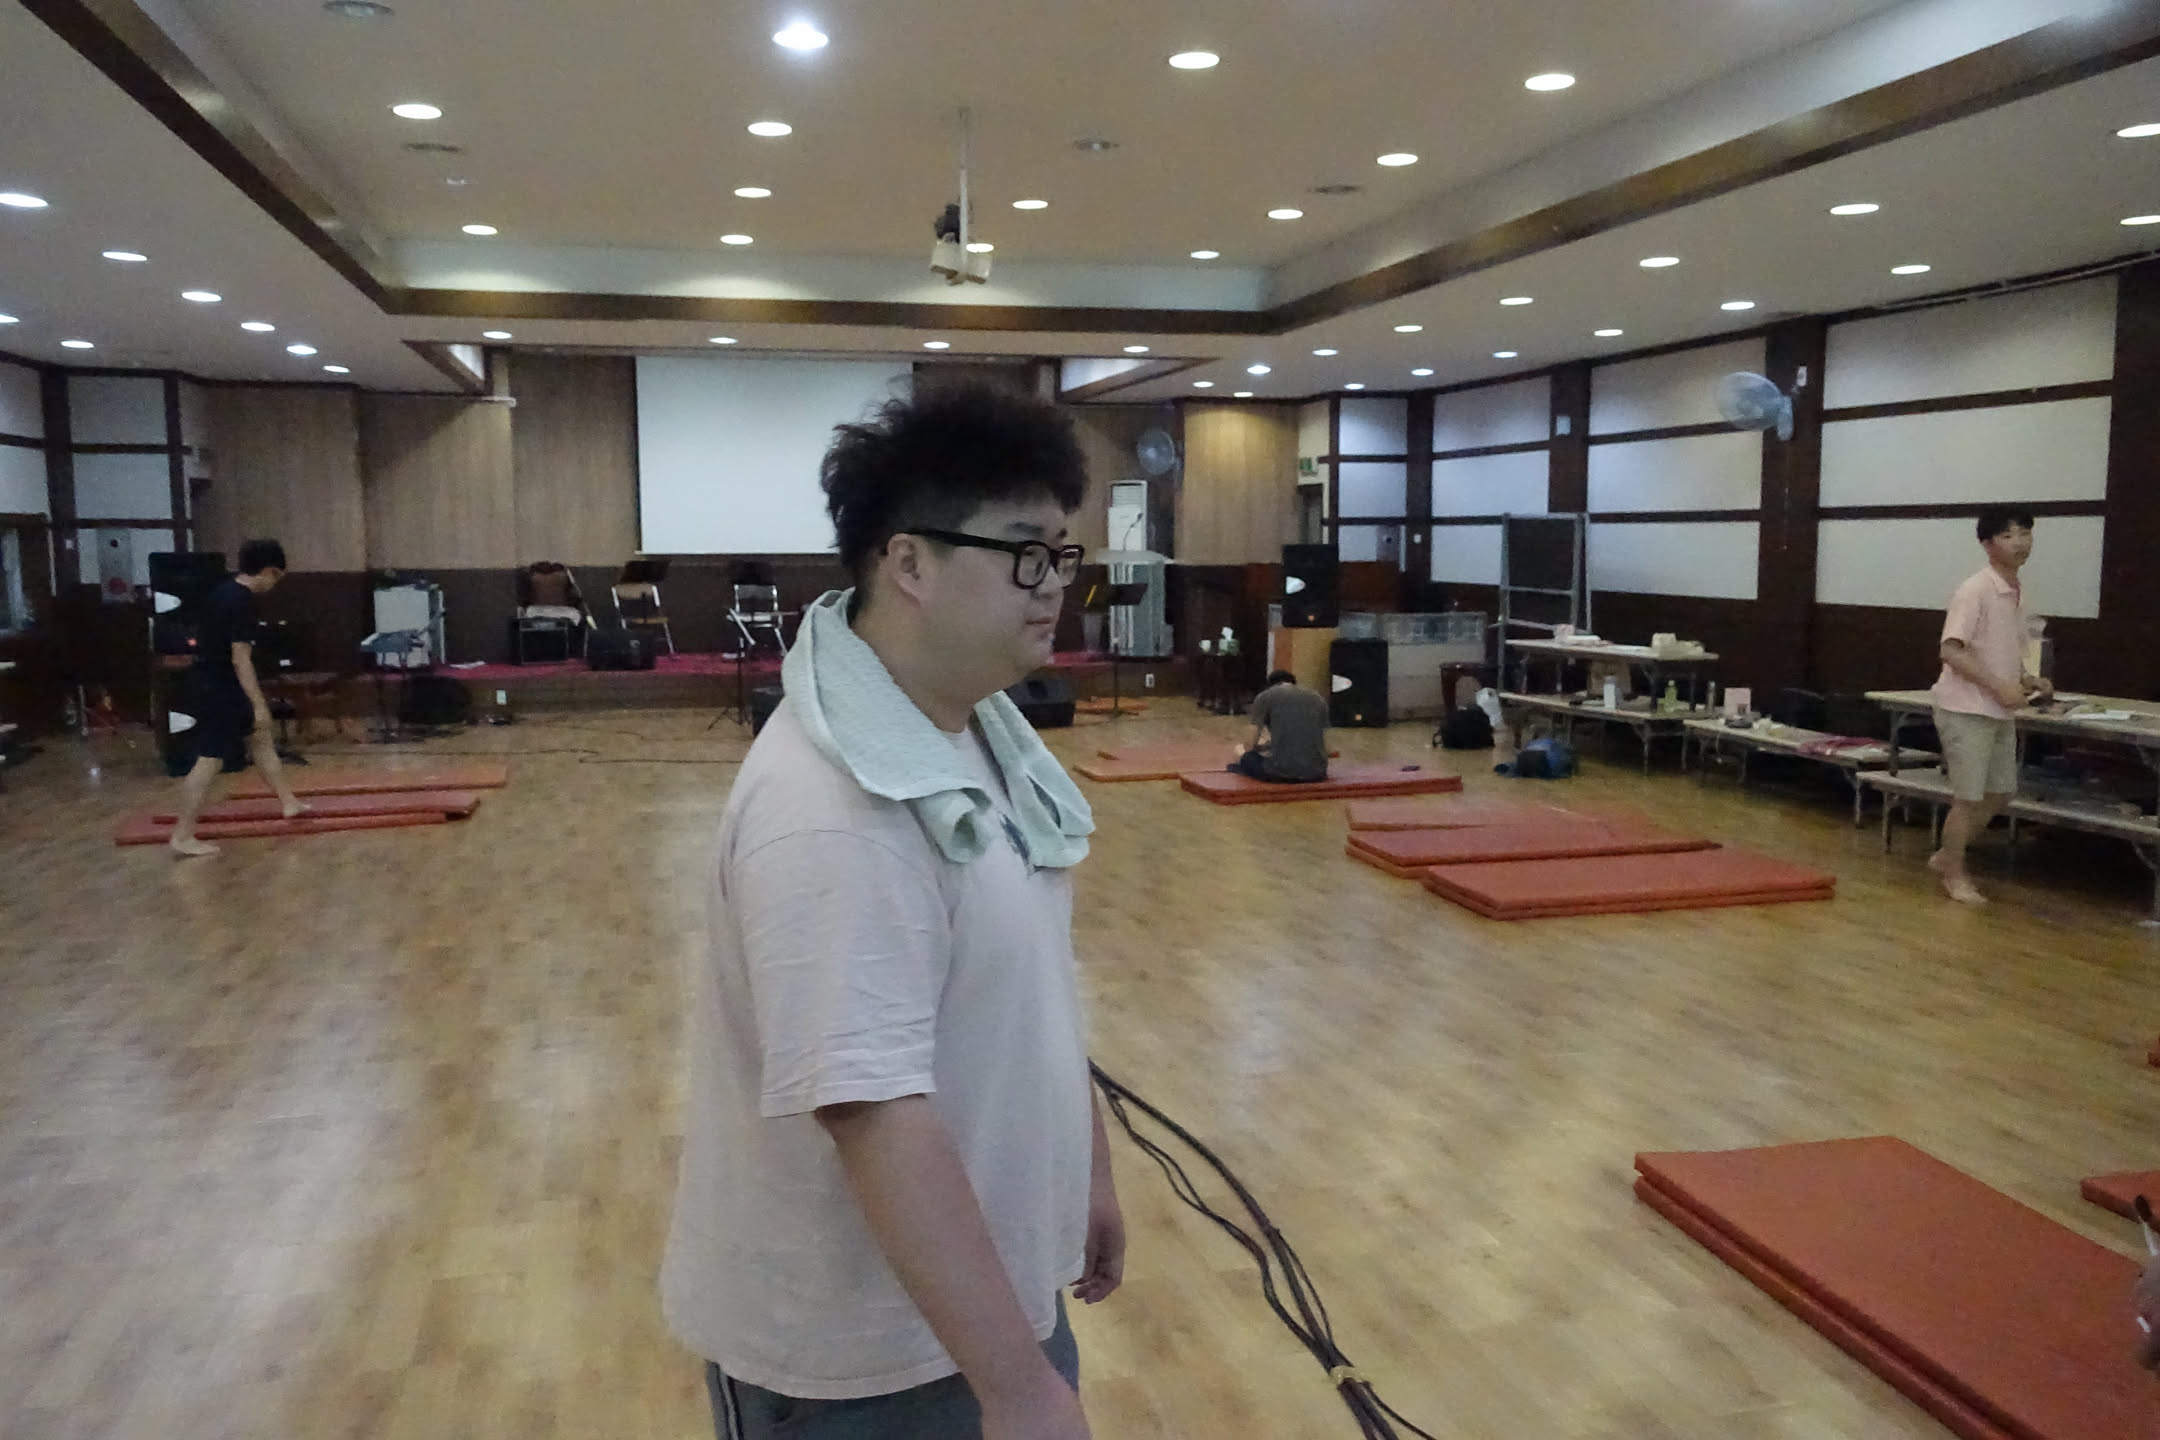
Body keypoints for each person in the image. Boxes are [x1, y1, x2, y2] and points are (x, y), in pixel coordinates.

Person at [662, 386, 1122, 1440]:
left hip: (986, 1301)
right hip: (861, 1362)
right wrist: (1018, 1389)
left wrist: (1083, 1168)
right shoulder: (831, 808)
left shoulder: (973, 733)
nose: (1055, 585)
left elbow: (1028, 988)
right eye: (1025, 553)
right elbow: (871, 1109)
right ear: (909, 563)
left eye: (1062, 554)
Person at [1927, 508, 2051, 904]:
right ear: (1987, 544)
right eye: (2008, 535)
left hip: (1998, 708)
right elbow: (1951, 650)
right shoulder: (1975, 589)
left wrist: (2026, 679)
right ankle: (1954, 873)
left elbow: (2005, 648)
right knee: (1968, 797)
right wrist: (1998, 686)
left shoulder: (2017, 590)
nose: (2020, 542)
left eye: (2025, 533)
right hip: (1965, 708)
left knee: (2000, 792)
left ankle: (1947, 856)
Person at [168, 538, 306, 857]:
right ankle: (182, 835)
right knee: (210, 760)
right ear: (269, 571)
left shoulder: (223, 591)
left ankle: (289, 802)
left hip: (215, 682)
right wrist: (258, 704)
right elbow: (240, 659)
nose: (274, 586)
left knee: (260, 738)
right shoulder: (241, 602)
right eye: (277, 578)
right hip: (220, 688)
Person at [1232, 669, 1330, 783]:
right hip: (1317, 772)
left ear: (1270, 686)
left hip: (1279, 773)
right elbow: (1327, 747)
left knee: (1240, 751)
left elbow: (1250, 744)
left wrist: (1254, 749)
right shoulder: (1318, 698)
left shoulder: (1265, 696)